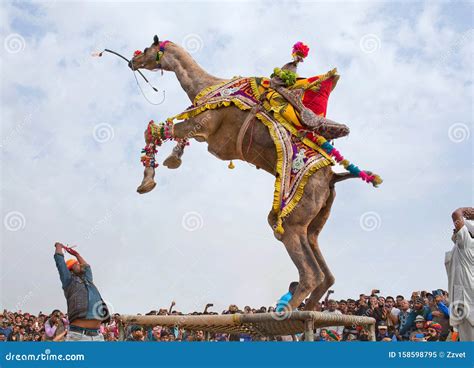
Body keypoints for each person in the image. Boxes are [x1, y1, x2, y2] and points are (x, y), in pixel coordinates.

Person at [54, 242, 110, 341]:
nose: (80, 265)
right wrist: (58, 246)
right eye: (76, 264)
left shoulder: (88, 280)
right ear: (71, 269)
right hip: (79, 335)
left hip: (97, 336)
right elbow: (60, 263)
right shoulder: (69, 281)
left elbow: (87, 267)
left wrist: (77, 255)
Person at [446, 207, 474, 341]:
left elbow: (456, 214)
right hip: (461, 300)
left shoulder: (468, 244)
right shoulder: (460, 247)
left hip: (468, 302)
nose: (455, 231)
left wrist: (465, 211)